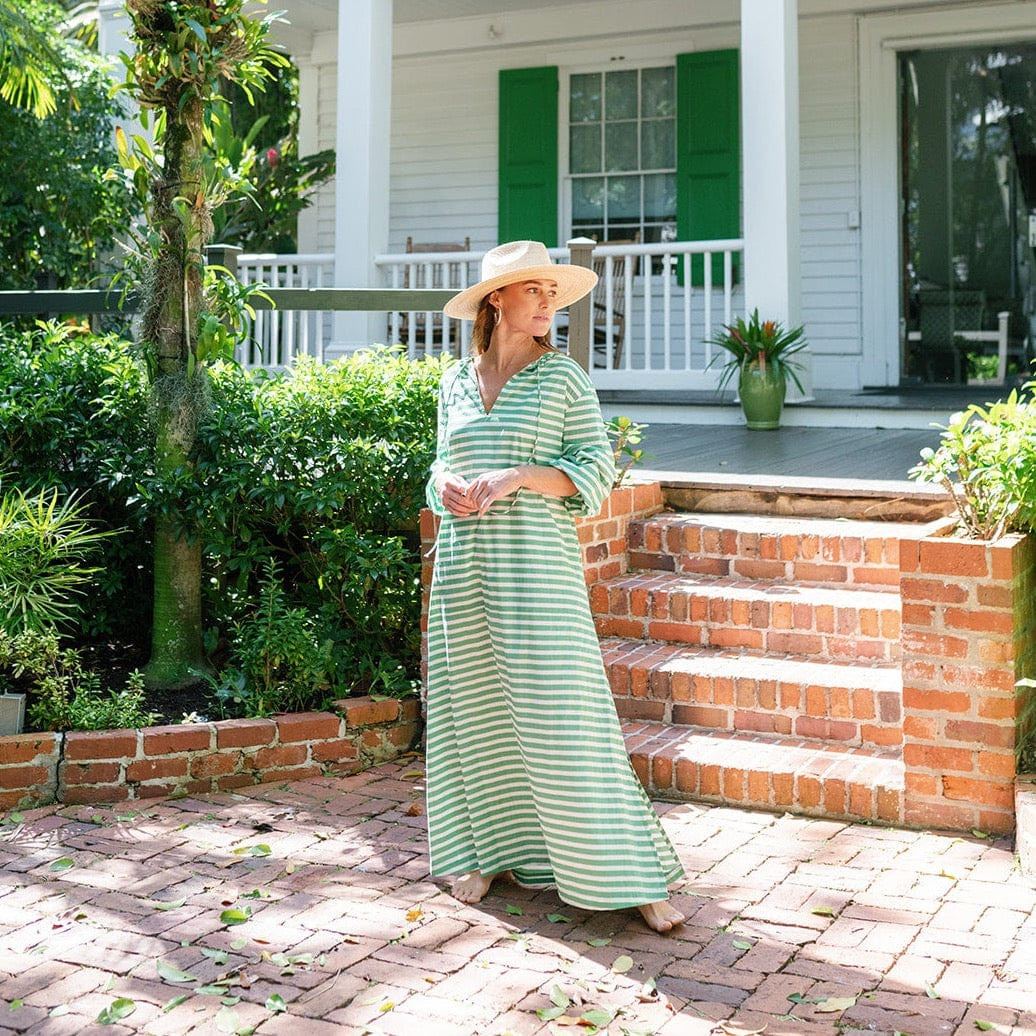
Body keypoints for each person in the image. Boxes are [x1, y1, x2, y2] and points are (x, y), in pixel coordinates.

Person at [425, 240, 685, 933]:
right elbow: (439, 464)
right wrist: (442, 486)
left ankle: (634, 876)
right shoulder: (454, 383)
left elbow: (595, 470)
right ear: (496, 301)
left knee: (565, 720)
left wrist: (516, 477)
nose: (546, 302)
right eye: (532, 290)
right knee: (474, 713)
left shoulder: (564, 379)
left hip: (537, 570)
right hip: (465, 570)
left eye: (550, 291)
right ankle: (487, 853)